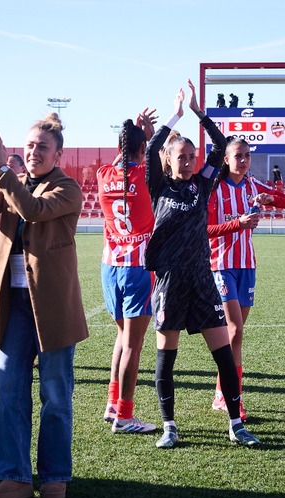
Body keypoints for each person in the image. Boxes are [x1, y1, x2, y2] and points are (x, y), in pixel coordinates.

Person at [0, 114, 88, 498]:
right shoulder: (9, 183)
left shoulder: (67, 188)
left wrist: (4, 172)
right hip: (12, 305)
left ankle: (54, 475)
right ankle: (15, 477)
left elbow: (33, 210)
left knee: (55, 394)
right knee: (10, 391)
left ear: (59, 154)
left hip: (51, 306)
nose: (34, 152)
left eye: (43, 147)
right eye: (30, 146)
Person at [145, 80, 260, 449]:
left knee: (224, 353)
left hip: (201, 279)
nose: (189, 162)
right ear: (168, 159)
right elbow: (149, 149)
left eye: (192, 157)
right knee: (167, 357)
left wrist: (197, 111)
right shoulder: (159, 187)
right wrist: (176, 113)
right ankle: (169, 425)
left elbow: (221, 142)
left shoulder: (203, 184)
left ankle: (235, 423)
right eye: (181, 157)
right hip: (169, 283)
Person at [206, 136, 285, 420]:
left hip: (247, 266)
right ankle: (234, 399)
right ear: (226, 159)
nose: (244, 160)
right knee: (235, 331)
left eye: (247, 155)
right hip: (220, 265)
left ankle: (222, 394)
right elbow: (204, 229)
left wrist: (270, 198)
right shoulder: (214, 189)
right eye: (238, 156)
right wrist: (238, 223)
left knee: (235, 336)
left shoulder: (252, 185)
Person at [97, 109, 158, 434]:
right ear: (141, 147)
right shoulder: (145, 176)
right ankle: (125, 415)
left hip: (110, 267)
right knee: (133, 344)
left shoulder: (104, 174)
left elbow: (125, 159)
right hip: (137, 267)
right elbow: (157, 160)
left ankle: (112, 403)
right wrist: (148, 134)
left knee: (122, 337)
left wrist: (137, 135)